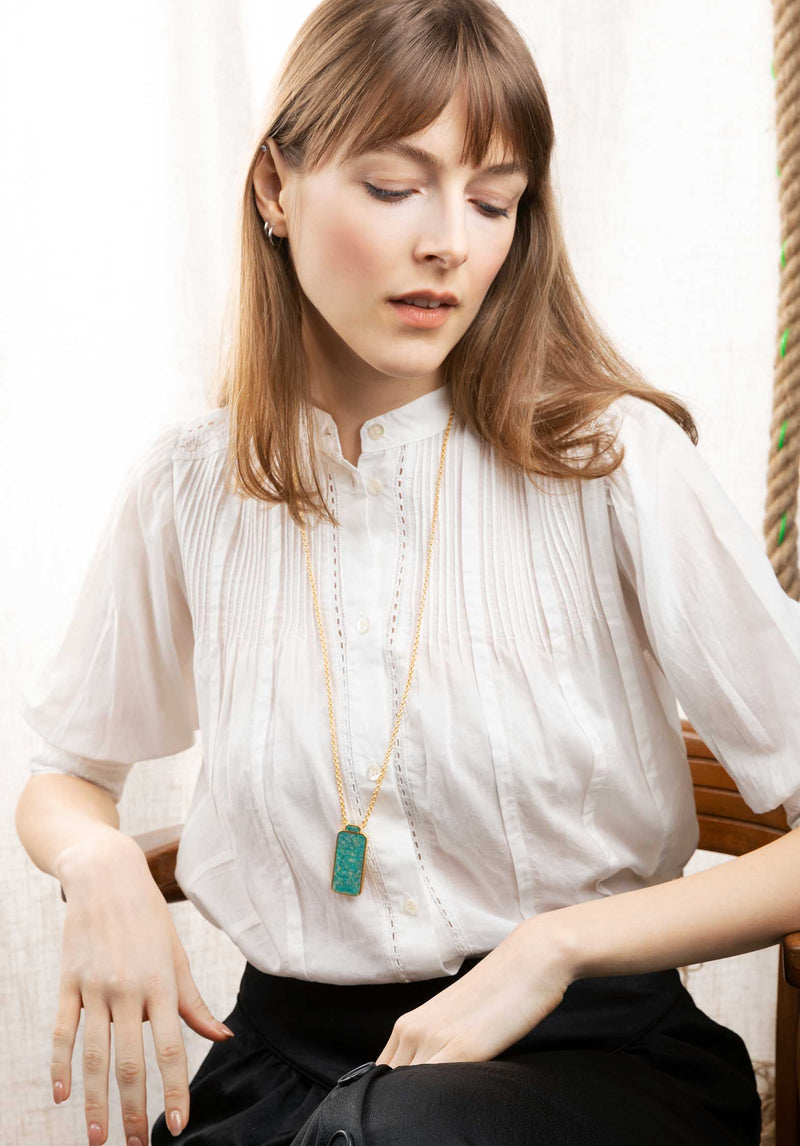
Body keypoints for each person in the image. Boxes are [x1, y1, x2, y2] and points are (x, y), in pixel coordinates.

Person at [15, 0, 800, 1143]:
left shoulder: (611, 462)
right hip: (287, 1071)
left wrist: (553, 945)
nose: (448, 243)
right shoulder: (191, 486)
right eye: (395, 188)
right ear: (274, 187)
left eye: (492, 201)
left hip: (591, 1063)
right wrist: (97, 862)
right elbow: (66, 772)